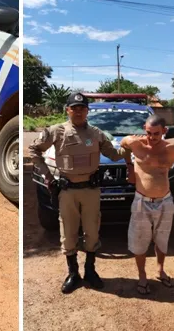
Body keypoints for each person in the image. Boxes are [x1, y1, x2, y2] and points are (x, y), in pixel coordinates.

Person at [28, 92, 126, 294]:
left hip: (90, 191)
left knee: (92, 231)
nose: (79, 112)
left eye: (82, 108)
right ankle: (73, 273)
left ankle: (90, 271)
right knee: (68, 233)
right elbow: (33, 150)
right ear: (68, 110)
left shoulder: (97, 134)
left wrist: (132, 146)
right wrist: (48, 176)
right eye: (75, 108)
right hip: (67, 191)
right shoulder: (56, 132)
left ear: (87, 111)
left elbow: (115, 155)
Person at [120, 115, 174, 295]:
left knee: (162, 239)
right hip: (141, 202)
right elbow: (123, 145)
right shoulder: (136, 144)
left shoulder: (170, 149)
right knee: (139, 241)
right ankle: (142, 276)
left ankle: (160, 271)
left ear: (164, 132)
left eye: (157, 134)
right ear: (144, 128)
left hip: (165, 201)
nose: (152, 137)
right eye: (148, 133)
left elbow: (161, 166)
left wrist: (143, 156)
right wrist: (130, 166)